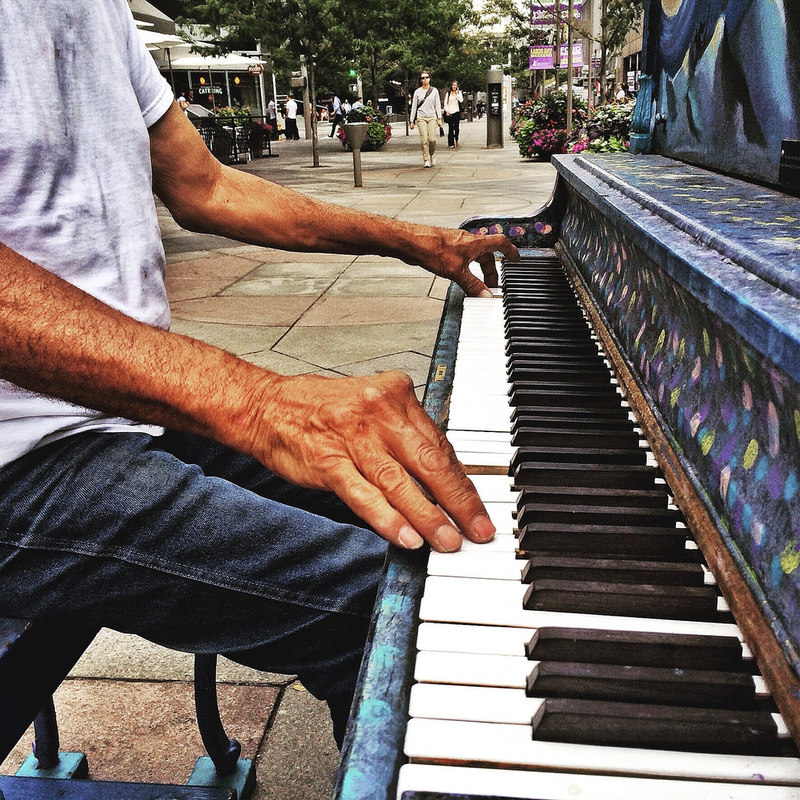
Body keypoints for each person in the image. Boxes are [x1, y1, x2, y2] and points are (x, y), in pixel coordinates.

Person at [0, 0, 519, 751]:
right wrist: (257, 401)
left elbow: (206, 186)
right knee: (396, 618)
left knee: (424, 509)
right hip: (22, 464)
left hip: (119, 411)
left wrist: (412, 240)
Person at [409, 71, 443, 168]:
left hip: (432, 117)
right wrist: (412, 121)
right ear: (420, 80)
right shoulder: (417, 92)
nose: (425, 79)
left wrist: (439, 118)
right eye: (423, 78)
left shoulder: (434, 91)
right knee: (424, 140)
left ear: (429, 79)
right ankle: (426, 159)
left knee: (432, 139)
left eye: (427, 77)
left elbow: (437, 105)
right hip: (421, 117)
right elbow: (414, 107)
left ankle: (432, 153)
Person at [442, 80, 464, 149]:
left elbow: (461, 100)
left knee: (456, 128)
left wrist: (457, 94)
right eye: (453, 85)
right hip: (450, 112)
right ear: (451, 86)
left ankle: (456, 139)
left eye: (455, 85)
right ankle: (450, 143)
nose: (454, 86)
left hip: (456, 112)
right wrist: (447, 111)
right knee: (450, 128)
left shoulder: (459, 93)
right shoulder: (448, 94)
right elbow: (446, 103)